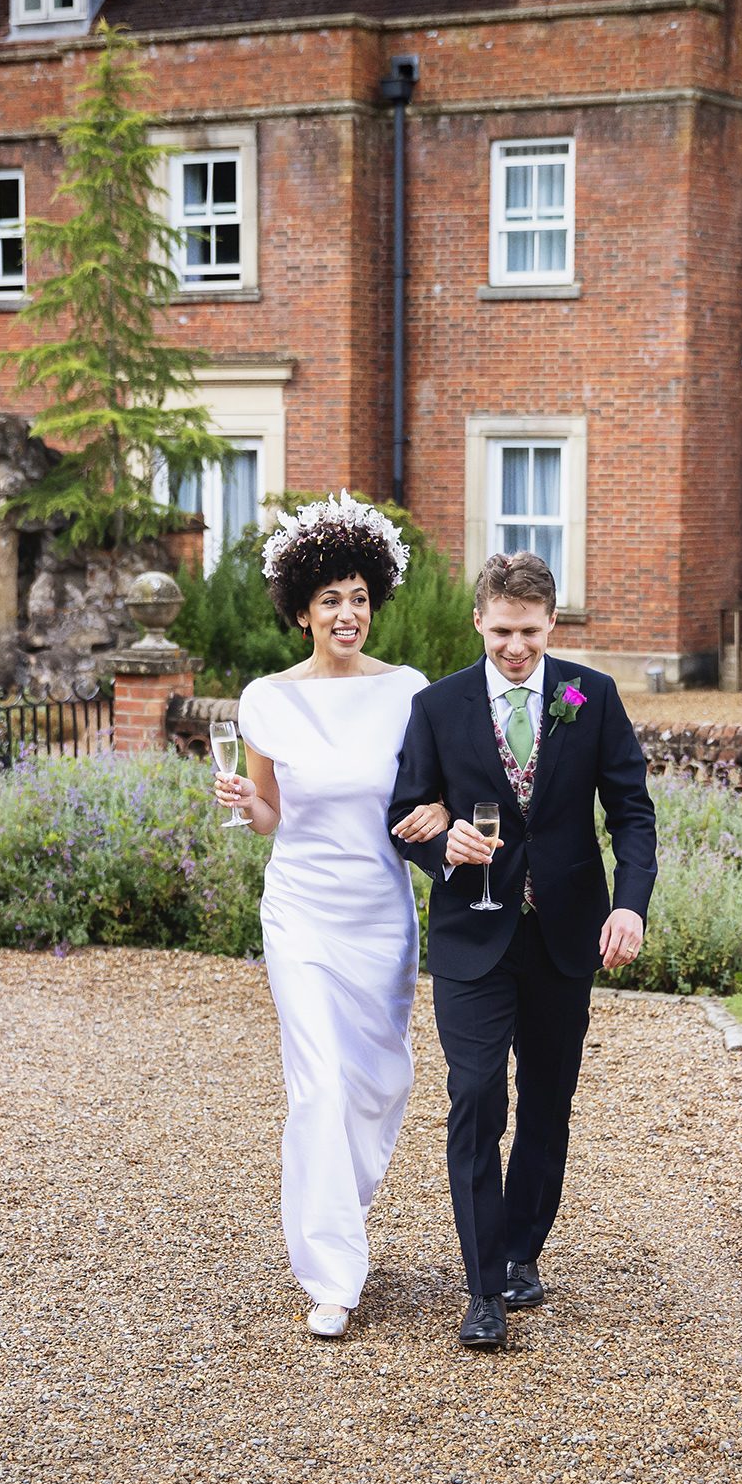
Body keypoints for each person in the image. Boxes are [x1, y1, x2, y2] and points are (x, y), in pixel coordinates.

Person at [385, 551, 657, 1352]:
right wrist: (445, 847)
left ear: (552, 624)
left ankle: (520, 1254)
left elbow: (632, 815)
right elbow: (403, 810)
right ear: (479, 621)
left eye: (531, 633)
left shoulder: (588, 694)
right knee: (475, 1098)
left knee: (546, 1102)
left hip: (565, 935)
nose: (515, 648)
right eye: (502, 631)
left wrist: (629, 907)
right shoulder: (437, 706)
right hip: (473, 933)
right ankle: (481, 1289)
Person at [213, 495, 450, 1340]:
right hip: (302, 913)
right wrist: (247, 802)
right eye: (329, 601)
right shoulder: (265, 699)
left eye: (357, 597)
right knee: (317, 1084)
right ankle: (331, 1272)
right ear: (302, 612)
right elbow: (271, 816)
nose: (346, 614)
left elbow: (427, 798)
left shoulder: (409, 692)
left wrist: (439, 818)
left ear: (373, 601)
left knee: (380, 1081)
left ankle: (333, 1209)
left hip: (381, 911)